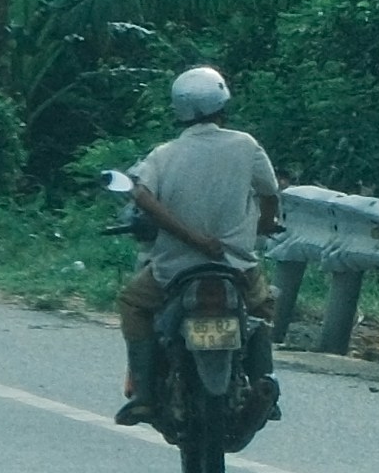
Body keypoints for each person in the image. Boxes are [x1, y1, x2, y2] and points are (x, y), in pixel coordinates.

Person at [115, 62, 284, 423]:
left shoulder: (164, 154)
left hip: (173, 270)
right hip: (236, 267)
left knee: (133, 303)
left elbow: (140, 195)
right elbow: (270, 193)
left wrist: (191, 239)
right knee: (263, 307)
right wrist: (266, 224)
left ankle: (143, 394)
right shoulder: (245, 145)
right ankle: (262, 381)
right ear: (222, 102)